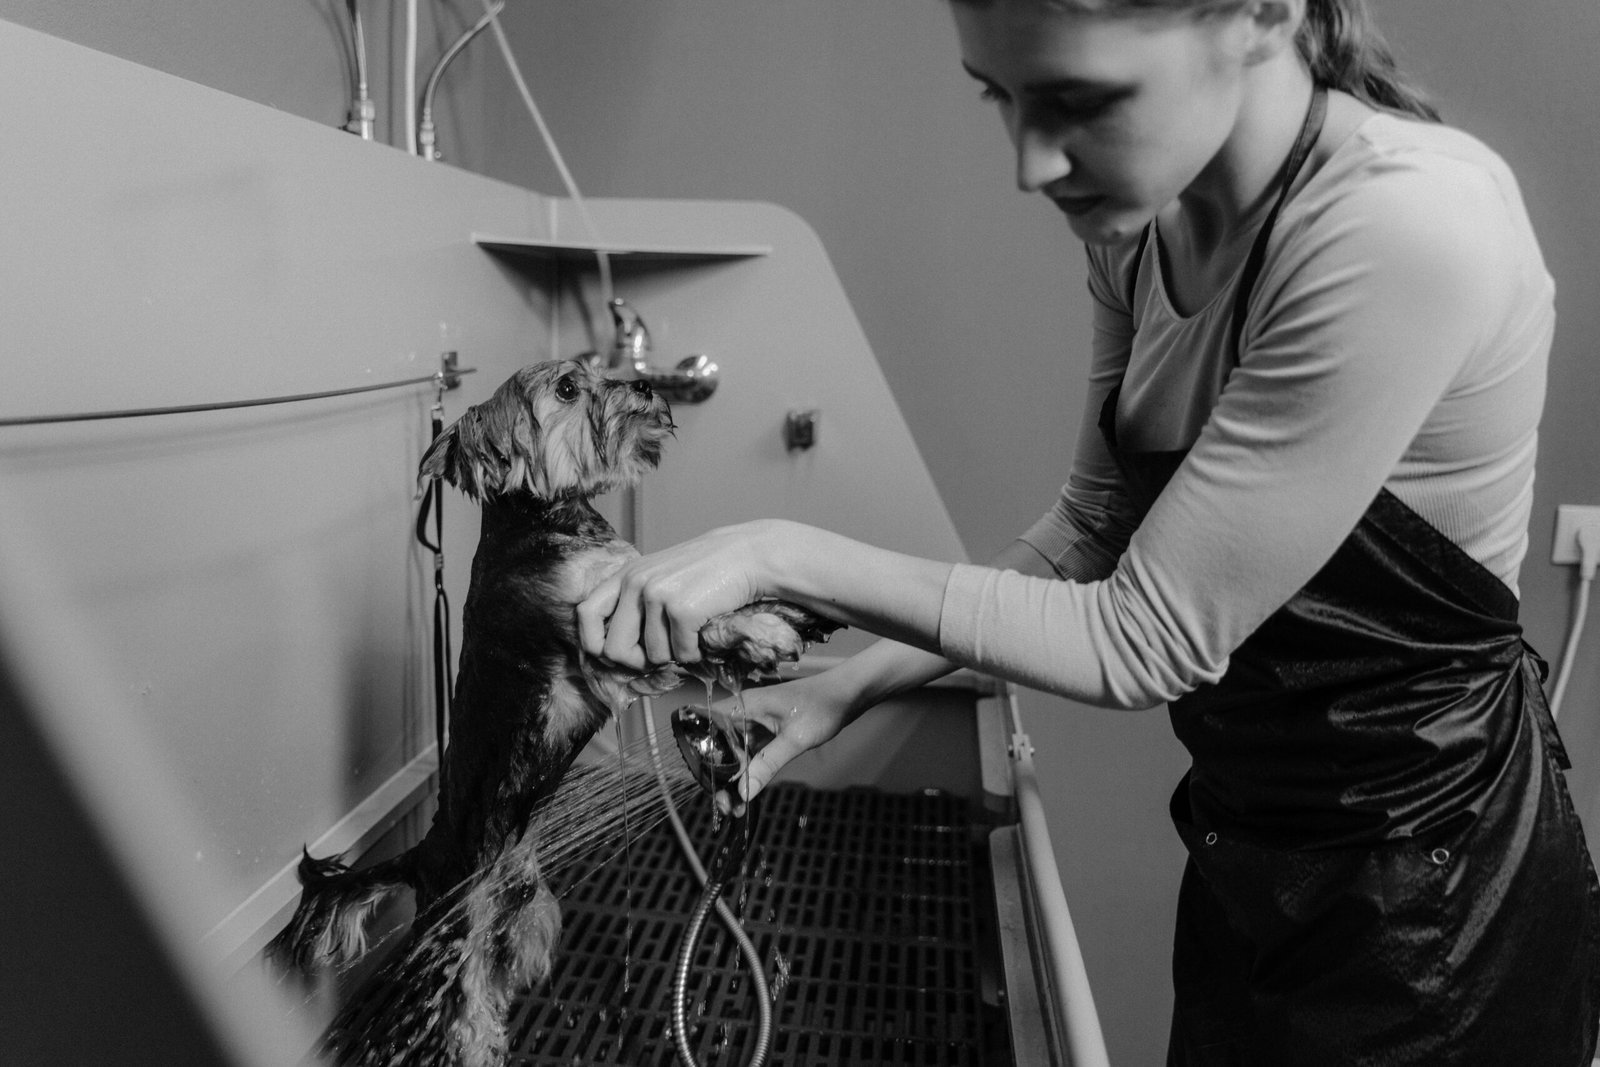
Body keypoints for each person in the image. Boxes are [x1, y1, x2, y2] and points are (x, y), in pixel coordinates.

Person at [577, 0, 1600, 1061]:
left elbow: (1144, 636)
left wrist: (775, 552)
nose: (1031, 163)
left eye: (1082, 100)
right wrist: (844, 685)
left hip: (1431, 905)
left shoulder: (1404, 223)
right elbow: (1088, 527)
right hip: (1247, 853)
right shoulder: (1145, 235)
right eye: (1001, 97)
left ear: (1261, 15)